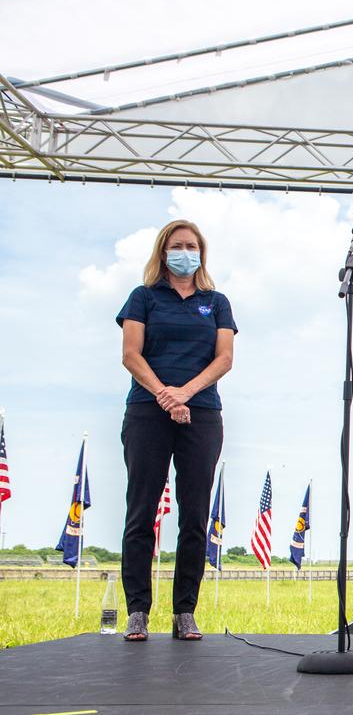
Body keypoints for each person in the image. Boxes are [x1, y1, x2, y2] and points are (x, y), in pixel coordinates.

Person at [116, 220, 236, 642]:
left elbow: (224, 359)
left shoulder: (216, 302)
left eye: (191, 245)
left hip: (201, 413)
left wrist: (184, 394)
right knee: (141, 512)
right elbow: (131, 354)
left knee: (195, 516)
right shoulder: (143, 297)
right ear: (162, 252)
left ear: (201, 252)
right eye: (176, 245)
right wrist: (165, 396)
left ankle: (185, 610)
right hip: (147, 412)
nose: (184, 251)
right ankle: (137, 611)